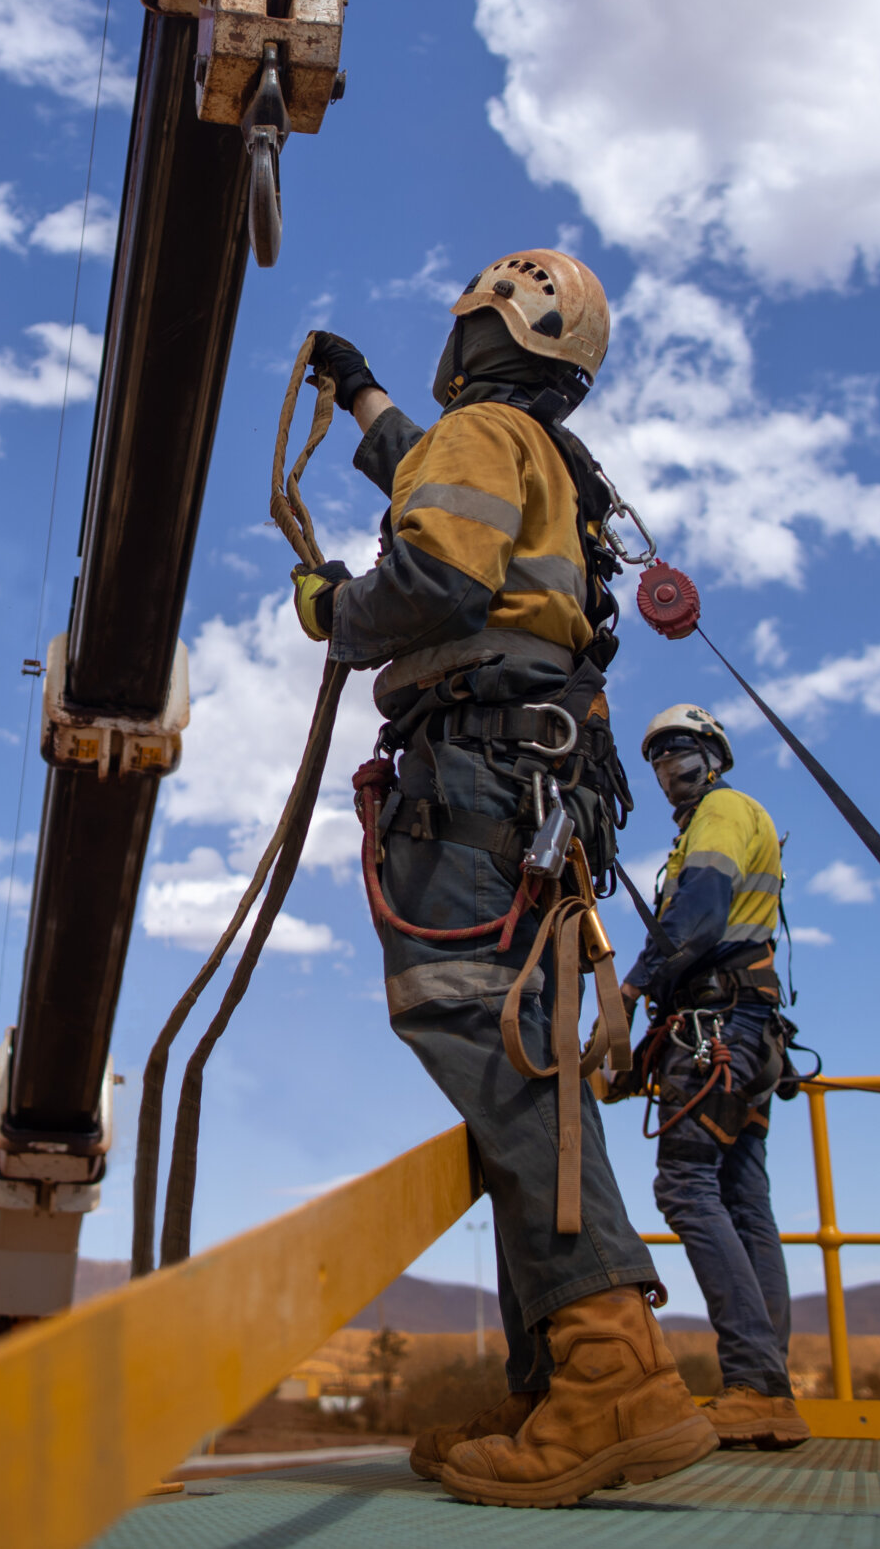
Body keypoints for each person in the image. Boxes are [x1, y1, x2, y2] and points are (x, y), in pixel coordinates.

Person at [296, 249, 716, 1510]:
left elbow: (433, 572)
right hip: (538, 786)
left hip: (475, 781)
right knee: (526, 1057)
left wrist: (329, 604)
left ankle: (611, 1375)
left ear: (485, 327)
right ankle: (559, 1387)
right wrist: (362, 399)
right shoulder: (536, 460)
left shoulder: (481, 434)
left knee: (466, 1016)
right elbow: (430, 480)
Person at [619, 703, 810, 1449]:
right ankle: (769, 1388)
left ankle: (756, 1382)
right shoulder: (723, 819)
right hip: (750, 1029)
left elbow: (696, 917)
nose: (669, 764)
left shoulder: (722, 813)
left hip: (717, 1027)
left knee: (686, 1185)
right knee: (741, 1195)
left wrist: (631, 988)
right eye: (658, 755)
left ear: (714, 753)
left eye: (680, 748)